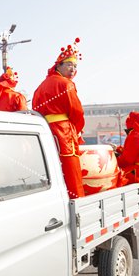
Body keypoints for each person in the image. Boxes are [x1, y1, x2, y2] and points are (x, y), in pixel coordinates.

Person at [32, 37, 85, 198]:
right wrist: (77, 130)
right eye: (69, 64)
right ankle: (76, 201)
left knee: (51, 169)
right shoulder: (66, 84)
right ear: (58, 65)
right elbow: (76, 112)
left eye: (75, 66)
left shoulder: (40, 87)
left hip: (45, 132)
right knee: (70, 170)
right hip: (63, 132)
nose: (73, 69)